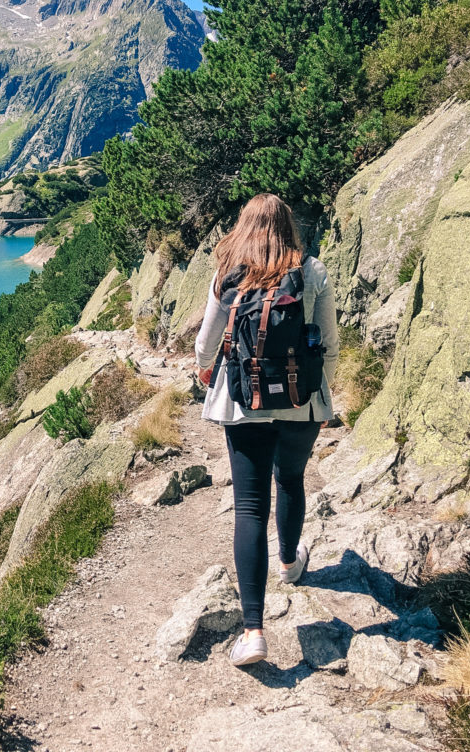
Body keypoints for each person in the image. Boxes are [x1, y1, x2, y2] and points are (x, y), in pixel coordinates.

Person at [194, 193, 338, 667]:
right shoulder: (312, 272)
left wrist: (202, 370)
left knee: (250, 507)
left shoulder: (228, 274)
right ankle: (290, 562)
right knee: (291, 479)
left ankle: (254, 631)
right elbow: (329, 346)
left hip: (244, 402)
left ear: (244, 228)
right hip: (301, 403)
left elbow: (206, 342)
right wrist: (318, 393)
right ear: (288, 228)